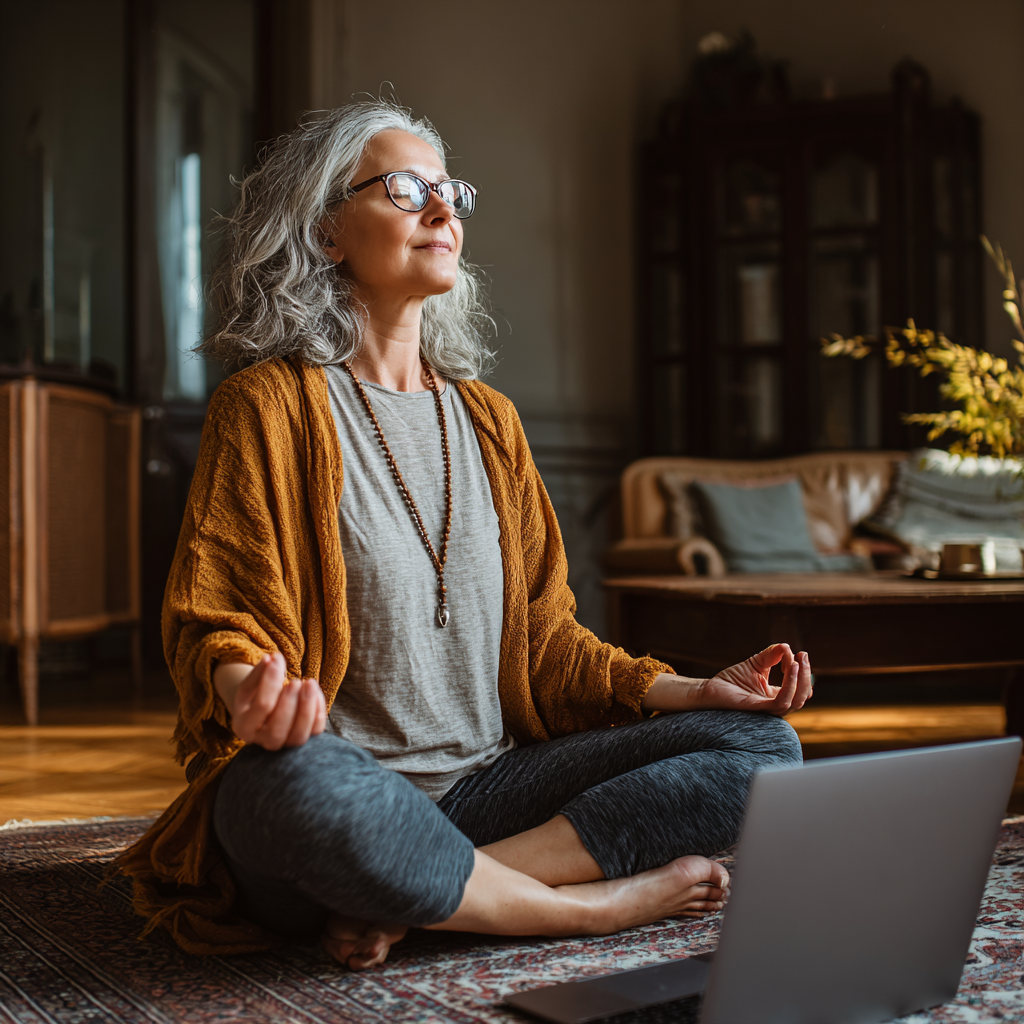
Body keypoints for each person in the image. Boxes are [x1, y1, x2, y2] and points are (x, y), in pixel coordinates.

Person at [116, 101, 810, 969]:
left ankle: (434, 897)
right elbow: (216, 616)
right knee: (284, 788)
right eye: (407, 189)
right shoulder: (266, 407)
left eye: (450, 192)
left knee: (763, 746)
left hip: (491, 792)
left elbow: (549, 641)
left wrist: (697, 692)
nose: (443, 211)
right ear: (328, 230)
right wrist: (244, 688)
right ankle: (594, 909)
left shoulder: (489, 422)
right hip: (351, 791)